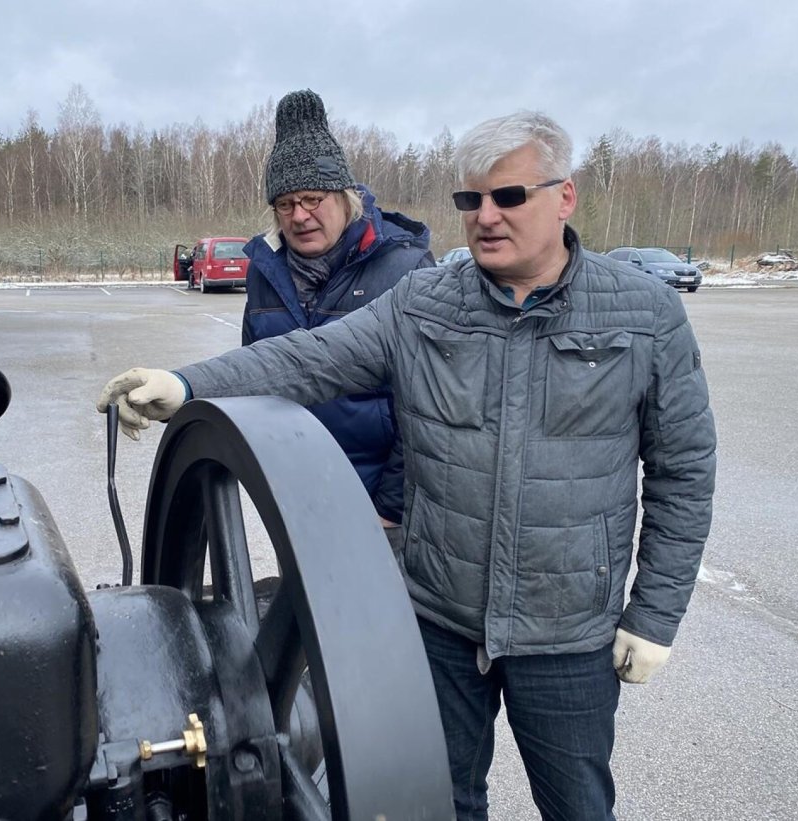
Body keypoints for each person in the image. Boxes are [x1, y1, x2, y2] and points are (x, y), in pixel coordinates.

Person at [97, 110, 716, 820]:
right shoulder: (423, 305)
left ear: (564, 197)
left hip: (566, 634)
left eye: (508, 196)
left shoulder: (644, 315)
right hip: (440, 622)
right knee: (440, 804)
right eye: (470, 199)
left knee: (577, 806)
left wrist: (655, 614)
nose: (485, 216)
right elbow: (308, 358)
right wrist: (186, 385)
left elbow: (684, 471)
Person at [246, 88, 432, 530]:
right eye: (286, 203)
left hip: (382, 507)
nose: (299, 216)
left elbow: (427, 403)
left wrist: (390, 507)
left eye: (313, 199)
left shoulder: (404, 267)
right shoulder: (263, 273)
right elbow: (255, 377)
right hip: (298, 498)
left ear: (345, 197)